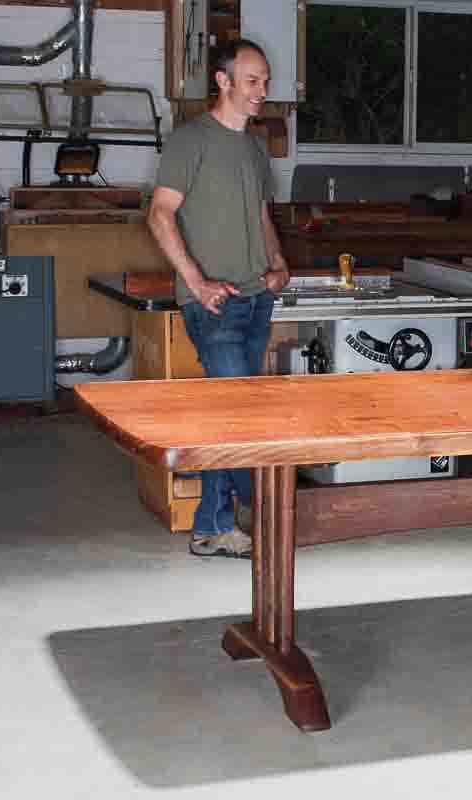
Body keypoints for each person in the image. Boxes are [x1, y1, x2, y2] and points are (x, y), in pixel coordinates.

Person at [147, 39, 290, 558]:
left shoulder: (254, 147)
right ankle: (244, 522)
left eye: (266, 81)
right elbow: (160, 215)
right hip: (214, 303)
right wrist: (197, 281)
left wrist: (279, 265)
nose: (262, 91)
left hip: (256, 299)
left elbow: (260, 216)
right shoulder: (191, 141)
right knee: (235, 416)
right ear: (223, 82)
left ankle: (214, 524)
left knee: (237, 415)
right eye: (252, 81)